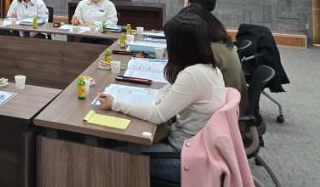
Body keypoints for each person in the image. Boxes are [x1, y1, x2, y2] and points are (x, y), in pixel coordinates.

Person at [96, 10, 226, 184]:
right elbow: (168, 88)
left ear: (180, 45)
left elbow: (158, 115)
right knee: (116, 145)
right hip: (196, 147)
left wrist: (114, 104)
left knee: (109, 156)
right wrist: (164, 97)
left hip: (184, 156)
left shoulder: (193, 75)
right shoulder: (207, 67)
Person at [181, 2, 248, 113]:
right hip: (232, 103)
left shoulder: (209, 49)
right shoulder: (219, 41)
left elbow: (187, 82)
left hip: (224, 112)